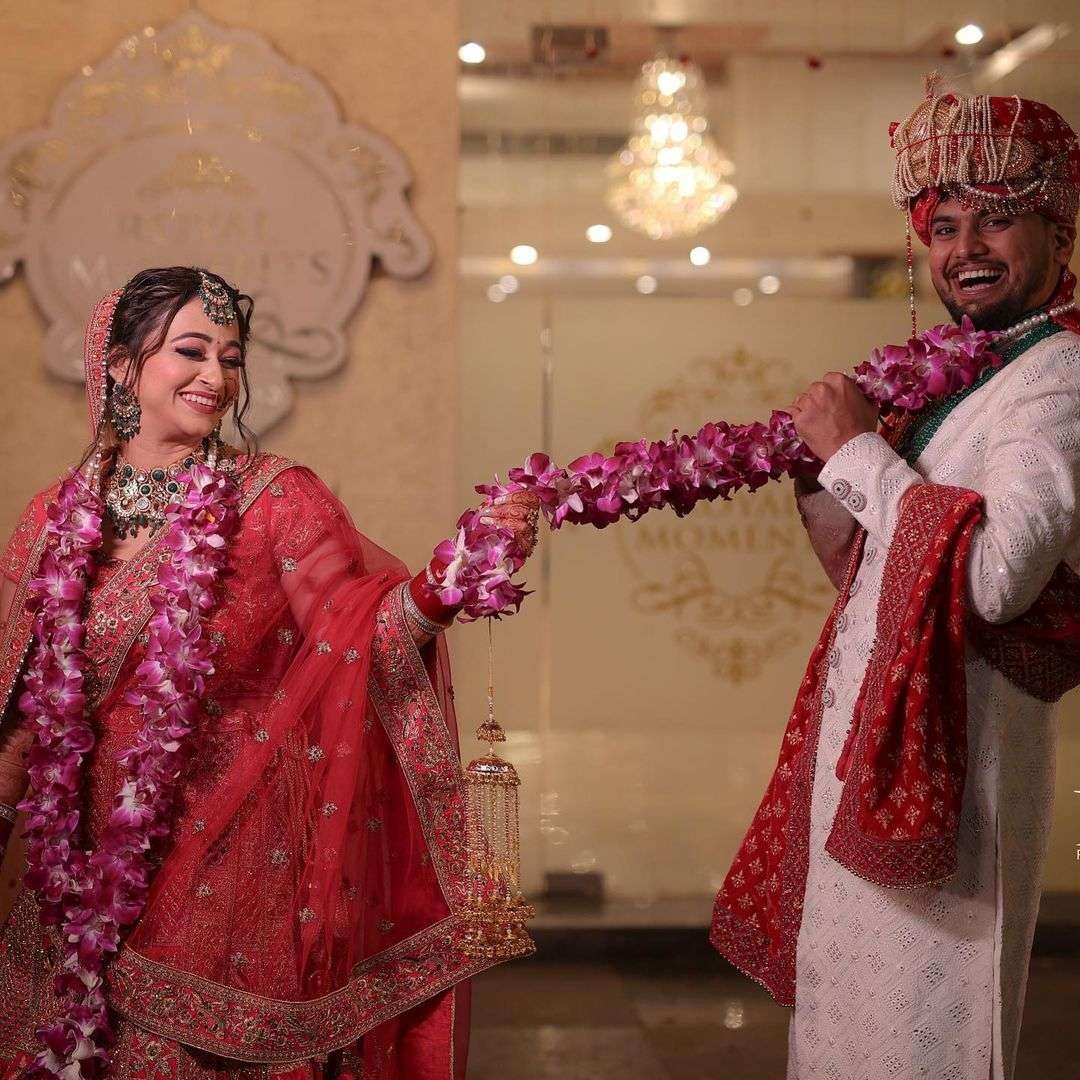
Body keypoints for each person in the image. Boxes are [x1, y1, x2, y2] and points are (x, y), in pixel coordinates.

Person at [0, 267, 539, 1080]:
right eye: (191, 352)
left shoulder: (277, 501)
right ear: (120, 366)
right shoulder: (51, 518)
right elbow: (20, 709)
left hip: (230, 873)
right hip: (71, 879)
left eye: (231, 358)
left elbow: (363, 636)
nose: (216, 378)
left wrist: (451, 578)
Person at [710, 77, 1080, 1080]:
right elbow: (882, 575)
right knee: (848, 1034)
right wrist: (832, 474)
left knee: (924, 1042)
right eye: (944, 226)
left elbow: (995, 578)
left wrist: (856, 454)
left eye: (996, 219)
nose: (965, 247)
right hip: (883, 755)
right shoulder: (975, 373)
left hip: (958, 774)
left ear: (1058, 232)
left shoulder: (1058, 375)